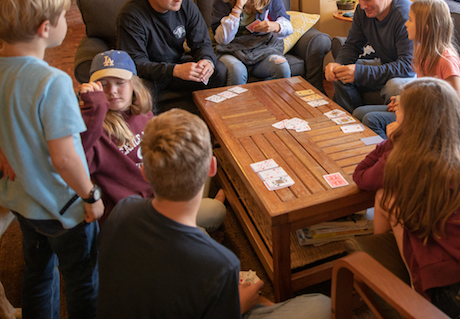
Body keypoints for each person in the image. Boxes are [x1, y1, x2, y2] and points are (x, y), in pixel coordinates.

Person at [97, 109, 332, 319]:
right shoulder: (221, 264)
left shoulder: (124, 208)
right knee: (321, 305)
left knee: (215, 211)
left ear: (145, 173)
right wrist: (239, 304)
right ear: (212, 167)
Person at [353, 78, 460, 319]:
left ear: (412, 120)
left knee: (387, 195)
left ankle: (398, 279)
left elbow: (362, 177)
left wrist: (392, 141)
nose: (395, 114)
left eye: (399, 110)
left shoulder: (404, 158)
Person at [0, 0, 104, 318]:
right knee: (82, 280)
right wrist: (91, 195)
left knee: (37, 271)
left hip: (20, 200)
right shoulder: (52, 82)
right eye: (63, 16)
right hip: (63, 208)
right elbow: (65, 158)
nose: (66, 22)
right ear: (45, 28)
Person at [79, 50, 227, 228]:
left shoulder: (142, 113)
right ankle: (192, 221)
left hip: (161, 190)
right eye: (103, 85)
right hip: (139, 212)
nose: (112, 91)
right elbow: (78, 161)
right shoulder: (93, 130)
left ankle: (192, 216)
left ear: (133, 84)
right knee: (216, 210)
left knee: (202, 161)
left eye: (120, 83)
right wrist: (92, 112)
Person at [117, 0, 227, 110]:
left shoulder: (185, 5)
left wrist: (206, 61)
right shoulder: (131, 15)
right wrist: (174, 70)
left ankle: (210, 119)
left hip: (178, 64)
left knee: (218, 70)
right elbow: (136, 63)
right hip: (150, 75)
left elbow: (202, 43)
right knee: (139, 94)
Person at [353, 0, 460, 138]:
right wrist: (403, 101)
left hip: (433, 121)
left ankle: (395, 149)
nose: (406, 24)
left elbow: (457, 107)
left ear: (426, 27)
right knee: (358, 113)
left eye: (410, 20)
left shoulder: (447, 61)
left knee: (371, 120)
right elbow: (423, 93)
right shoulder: (421, 51)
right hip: (419, 110)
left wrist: (411, 107)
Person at [324, 0, 414, 113]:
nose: (362, 5)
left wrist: (360, 72)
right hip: (386, 64)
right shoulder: (363, 11)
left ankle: (381, 123)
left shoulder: (406, 16)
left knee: (394, 87)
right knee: (341, 72)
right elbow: (353, 44)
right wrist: (338, 63)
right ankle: (353, 118)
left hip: (409, 74)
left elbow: (406, 67)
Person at [211, 0, 293, 85]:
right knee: (237, 71)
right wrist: (237, 7)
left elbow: (287, 25)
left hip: (262, 49)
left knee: (282, 67)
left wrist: (274, 26)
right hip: (231, 50)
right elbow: (222, 40)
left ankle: (270, 99)